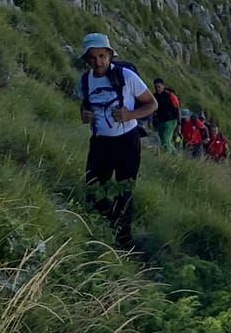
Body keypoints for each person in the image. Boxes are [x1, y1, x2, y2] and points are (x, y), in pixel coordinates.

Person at [76, 32, 154, 248]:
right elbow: (85, 105)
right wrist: (84, 114)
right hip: (100, 143)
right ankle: (112, 224)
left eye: (102, 56)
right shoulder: (83, 81)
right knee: (93, 191)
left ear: (110, 55)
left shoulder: (126, 77)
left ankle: (123, 243)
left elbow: (151, 103)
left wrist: (131, 115)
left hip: (127, 142)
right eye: (92, 57)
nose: (98, 62)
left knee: (123, 192)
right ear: (86, 59)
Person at [149, 79, 182, 151]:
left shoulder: (170, 95)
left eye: (159, 86)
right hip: (160, 121)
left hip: (171, 121)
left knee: (166, 140)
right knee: (162, 140)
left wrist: (179, 124)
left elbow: (178, 109)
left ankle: (172, 155)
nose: (157, 89)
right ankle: (174, 154)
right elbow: (152, 110)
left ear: (163, 86)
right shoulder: (154, 96)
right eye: (155, 87)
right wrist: (151, 121)